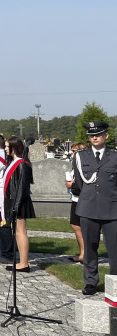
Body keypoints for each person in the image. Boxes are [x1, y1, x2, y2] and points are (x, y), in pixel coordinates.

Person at [71, 122, 117, 295]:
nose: (94, 137)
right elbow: (80, 183)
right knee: (90, 247)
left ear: (106, 136)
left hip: (112, 209)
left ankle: (115, 281)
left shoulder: (114, 156)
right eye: (91, 135)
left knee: (114, 248)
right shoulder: (80, 156)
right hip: (88, 208)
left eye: (98, 134)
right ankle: (90, 282)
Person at [2, 135, 36, 273]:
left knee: (20, 231)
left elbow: (22, 188)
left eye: (6, 147)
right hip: (12, 201)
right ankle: (22, 261)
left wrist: (15, 207)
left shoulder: (22, 164)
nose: (4, 149)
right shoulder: (13, 162)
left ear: (14, 147)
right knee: (16, 231)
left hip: (19, 202)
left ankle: (24, 263)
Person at [65, 141, 89, 264]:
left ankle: (85, 254)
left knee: (82, 227)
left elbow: (85, 182)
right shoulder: (75, 165)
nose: (71, 153)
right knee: (75, 226)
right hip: (75, 199)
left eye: (74, 151)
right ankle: (83, 253)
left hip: (83, 200)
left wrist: (71, 184)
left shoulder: (85, 165)